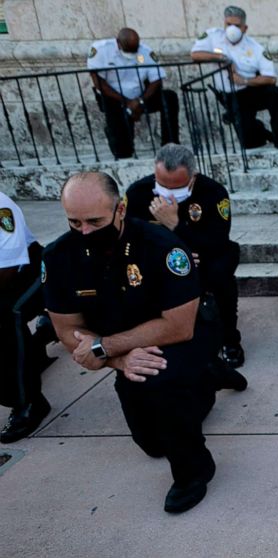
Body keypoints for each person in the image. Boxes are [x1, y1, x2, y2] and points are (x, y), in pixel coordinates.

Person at [42, 172, 218, 513]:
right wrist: (117, 359)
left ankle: (195, 470)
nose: (85, 232)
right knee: (152, 444)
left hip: (184, 335)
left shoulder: (162, 246)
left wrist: (106, 347)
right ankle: (208, 380)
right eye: (74, 222)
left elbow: (179, 326)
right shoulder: (59, 257)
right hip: (123, 347)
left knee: (161, 383)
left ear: (120, 208)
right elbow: (68, 330)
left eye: (95, 221)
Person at [125, 144, 248, 376]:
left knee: (222, 269)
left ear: (193, 176)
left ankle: (230, 339)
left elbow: (217, 241)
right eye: (163, 186)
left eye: (177, 187)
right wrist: (165, 258)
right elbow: (130, 242)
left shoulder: (213, 193)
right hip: (159, 263)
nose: (169, 194)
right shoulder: (137, 195)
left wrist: (175, 225)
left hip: (204, 257)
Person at [191, 5, 278, 150]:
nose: (232, 29)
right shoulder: (213, 36)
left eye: (237, 26)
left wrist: (244, 80)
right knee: (249, 143)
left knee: (274, 92)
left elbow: (270, 78)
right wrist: (221, 58)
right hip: (229, 95)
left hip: (248, 91)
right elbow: (195, 55)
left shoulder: (255, 48)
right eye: (228, 24)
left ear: (245, 28)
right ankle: (261, 130)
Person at [0, 193, 55, 443]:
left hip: (30, 269)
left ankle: (30, 402)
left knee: (9, 314)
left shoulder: (2, 208)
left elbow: (8, 268)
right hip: (8, 278)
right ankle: (36, 347)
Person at [87, 28, 179, 159]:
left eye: (134, 49)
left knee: (169, 98)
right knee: (123, 152)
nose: (132, 53)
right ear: (118, 42)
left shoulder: (145, 51)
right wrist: (126, 102)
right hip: (113, 97)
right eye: (128, 50)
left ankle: (170, 146)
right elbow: (98, 82)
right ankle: (117, 140)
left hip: (140, 95)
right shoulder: (101, 50)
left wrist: (140, 100)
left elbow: (156, 79)